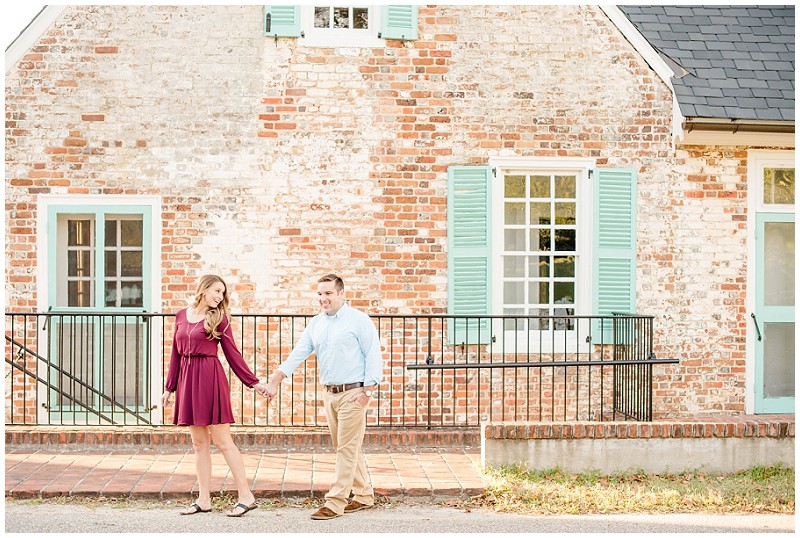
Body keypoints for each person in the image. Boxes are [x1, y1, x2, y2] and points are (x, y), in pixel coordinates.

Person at [265, 273, 383, 520]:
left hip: (354, 393)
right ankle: (363, 495)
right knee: (345, 447)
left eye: (328, 293)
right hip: (330, 394)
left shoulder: (358, 320)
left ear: (341, 294)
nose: (323, 298)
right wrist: (276, 379)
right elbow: (299, 352)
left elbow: (373, 354)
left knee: (346, 449)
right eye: (320, 293)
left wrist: (368, 392)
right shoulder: (317, 323)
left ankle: (336, 501)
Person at [161, 274, 268, 517]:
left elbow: (233, 354)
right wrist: (169, 388)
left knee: (222, 441)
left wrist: (253, 382)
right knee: (199, 445)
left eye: (223, 293)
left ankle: (246, 496)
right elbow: (175, 355)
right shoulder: (180, 316)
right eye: (217, 291)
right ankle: (204, 499)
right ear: (204, 288)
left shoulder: (220, 318)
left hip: (210, 379)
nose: (220, 297)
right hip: (188, 380)